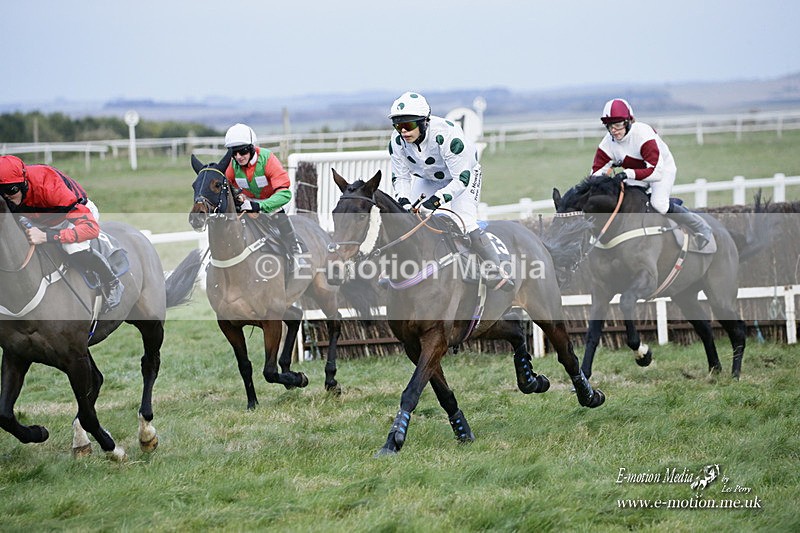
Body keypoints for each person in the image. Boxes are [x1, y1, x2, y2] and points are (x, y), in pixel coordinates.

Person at [387, 91, 513, 291]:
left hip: (462, 176)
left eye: (408, 125)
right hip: (428, 178)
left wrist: (437, 200)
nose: (403, 131)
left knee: (465, 222)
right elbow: (400, 177)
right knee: (409, 221)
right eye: (398, 125)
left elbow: (461, 179)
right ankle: (398, 269)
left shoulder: (448, 136)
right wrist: (404, 201)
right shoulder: (396, 142)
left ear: (424, 122)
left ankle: (495, 270)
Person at [0, 155, 123, 310]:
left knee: (73, 247)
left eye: (11, 190)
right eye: (1, 192)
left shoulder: (49, 187)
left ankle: (112, 281)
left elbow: (91, 228)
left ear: (23, 183)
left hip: (73, 214)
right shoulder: (10, 194)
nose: (6, 196)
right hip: (41, 217)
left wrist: (46, 236)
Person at [591, 98, 712, 249]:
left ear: (628, 122)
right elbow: (595, 175)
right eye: (609, 126)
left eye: (618, 124)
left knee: (659, 204)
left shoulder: (643, 134)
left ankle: (700, 226)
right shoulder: (607, 144)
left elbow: (655, 172)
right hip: (637, 172)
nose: (613, 130)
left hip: (661, 170)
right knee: (627, 200)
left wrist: (626, 174)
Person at [223, 123, 306, 269]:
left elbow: (284, 193)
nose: (238, 157)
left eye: (242, 151)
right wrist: (238, 197)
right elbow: (227, 186)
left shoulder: (267, 159)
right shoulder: (233, 165)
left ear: (251, 148)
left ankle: (294, 249)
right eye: (234, 153)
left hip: (274, 200)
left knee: (276, 212)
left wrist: (259, 206)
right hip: (249, 201)